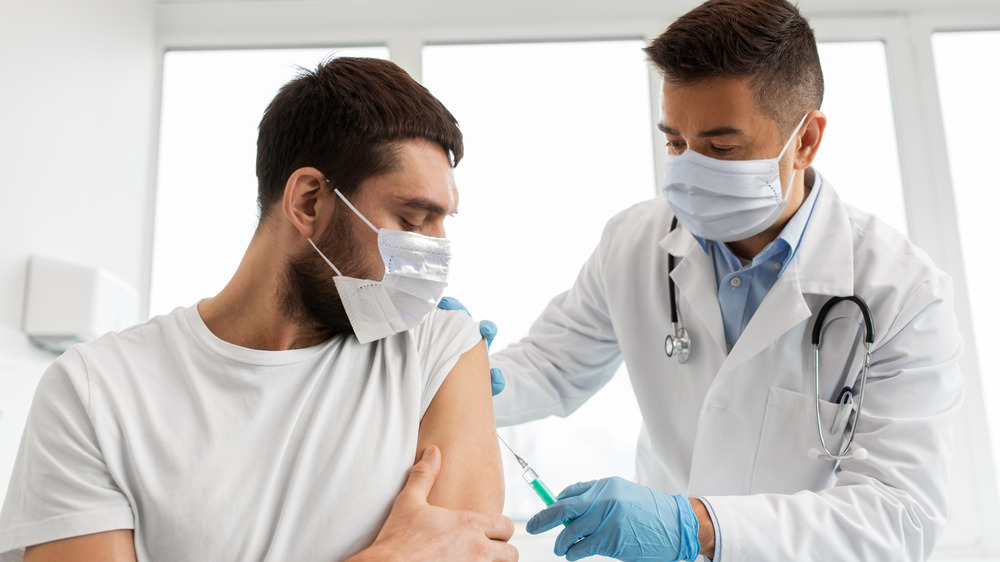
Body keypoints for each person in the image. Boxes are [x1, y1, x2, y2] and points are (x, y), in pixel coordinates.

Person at [486, 0, 965, 560]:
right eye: (675, 143)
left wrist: (695, 527)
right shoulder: (634, 242)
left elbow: (898, 516)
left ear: (805, 141)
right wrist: (455, 370)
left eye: (721, 147)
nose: (688, 169)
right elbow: (551, 366)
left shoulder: (902, 293)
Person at [0, 57, 517, 562]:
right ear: (310, 201)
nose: (436, 254)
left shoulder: (440, 351)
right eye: (412, 221)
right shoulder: (96, 392)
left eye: (444, 222)